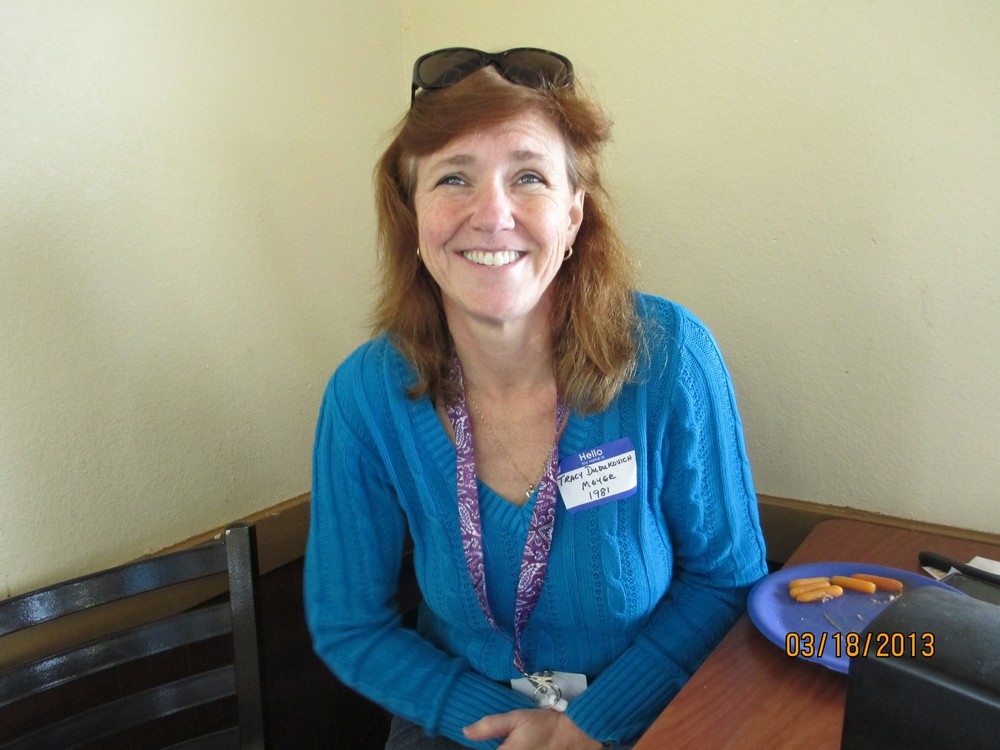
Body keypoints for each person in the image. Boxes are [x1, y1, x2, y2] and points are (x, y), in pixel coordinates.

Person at [305, 47, 768, 749]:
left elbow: (726, 581)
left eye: (528, 176)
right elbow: (349, 624)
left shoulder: (670, 356)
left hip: (648, 714)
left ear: (574, 214)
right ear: (413, 217)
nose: (493, 214)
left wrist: (593, 723)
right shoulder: (364, 396)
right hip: (460, 727)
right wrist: (494, 725)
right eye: (453, 178)